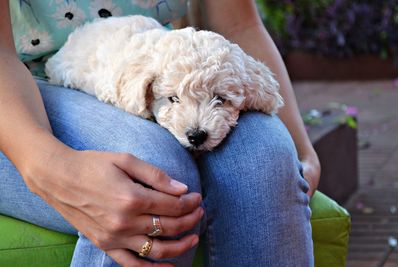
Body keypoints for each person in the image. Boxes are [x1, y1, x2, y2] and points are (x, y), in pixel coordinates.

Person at [0, 0, 320, 266]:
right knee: (152, 174)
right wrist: (51, 167)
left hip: (163, 61)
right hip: (23, 87)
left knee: (265, 160)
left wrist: (300, 149)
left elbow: (240, 26)